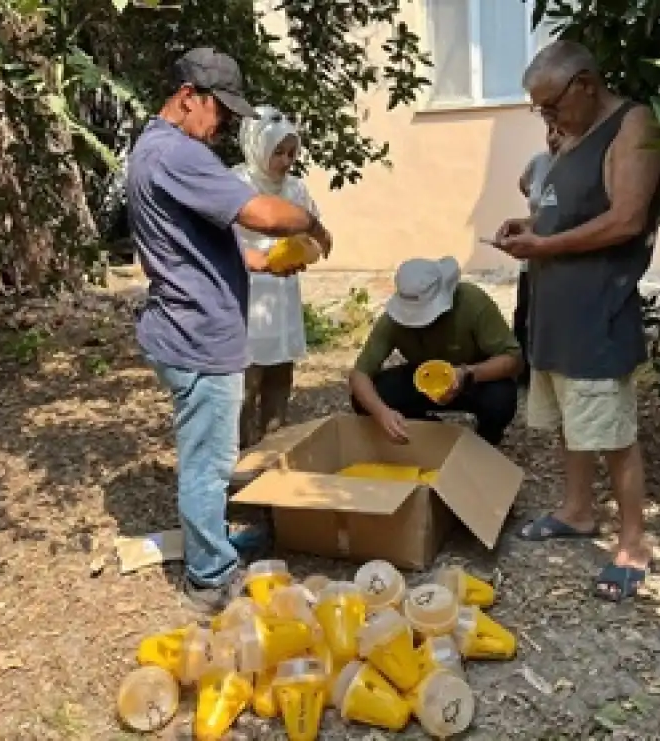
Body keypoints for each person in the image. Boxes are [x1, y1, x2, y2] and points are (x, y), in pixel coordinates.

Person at [126, 47, 332, 613]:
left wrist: (258, 263)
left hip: (182, 322)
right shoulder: (178, 154)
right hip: (197, 333)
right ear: (187, 97)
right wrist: (313, 224)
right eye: (218, 110)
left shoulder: (153, 149)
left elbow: (189, 240)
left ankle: (212, 542)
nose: (221, 125)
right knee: (208, 463)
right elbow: (261, 214)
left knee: (207, 455)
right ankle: (210, 577)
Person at [494, 40, 660, 602]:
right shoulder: (572, 134)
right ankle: (577, 511)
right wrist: (528, 227)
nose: (547, 118)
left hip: (598, 312)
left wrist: (545, 245)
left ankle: (634, 543)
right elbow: (564, 213)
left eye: (552, 106)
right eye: (539, 109)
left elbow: (626, 219)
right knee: (572, 419)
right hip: (554, 313)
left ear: (586, 84)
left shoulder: (632, 125)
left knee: (613, 433)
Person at [349, 257, 522, 446]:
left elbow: (513, 358)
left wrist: (466, 373)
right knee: (364, 399)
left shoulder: (472, 301)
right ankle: (428, 430)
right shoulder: (393, 320)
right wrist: (382, 413)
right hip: (422, 379)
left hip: (470, 377)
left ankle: (484, 442)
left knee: (501, 399)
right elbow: (360, 374)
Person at [233, 106, 319, 448]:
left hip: (282, 298)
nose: (285, 161)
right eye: (278, 152)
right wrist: (261, 259)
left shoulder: (296, 190)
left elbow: (313, 234)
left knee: (279, 378)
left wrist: (303, 252)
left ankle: (274, 451)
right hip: (246, 297)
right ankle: (240, 456)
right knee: (244, 384)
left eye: (291, 153)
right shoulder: (235, 185)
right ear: (257, 147)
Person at [513, 123, 563, 387]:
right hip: (532, 254)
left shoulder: (581, 167)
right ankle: (524, 373)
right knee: (525, 312)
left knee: (556, 313)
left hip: (564, 255)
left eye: (560, 131)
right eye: (550, 130)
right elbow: (524, 185)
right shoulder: (538, 162)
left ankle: (556, 369)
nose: (553, 137)